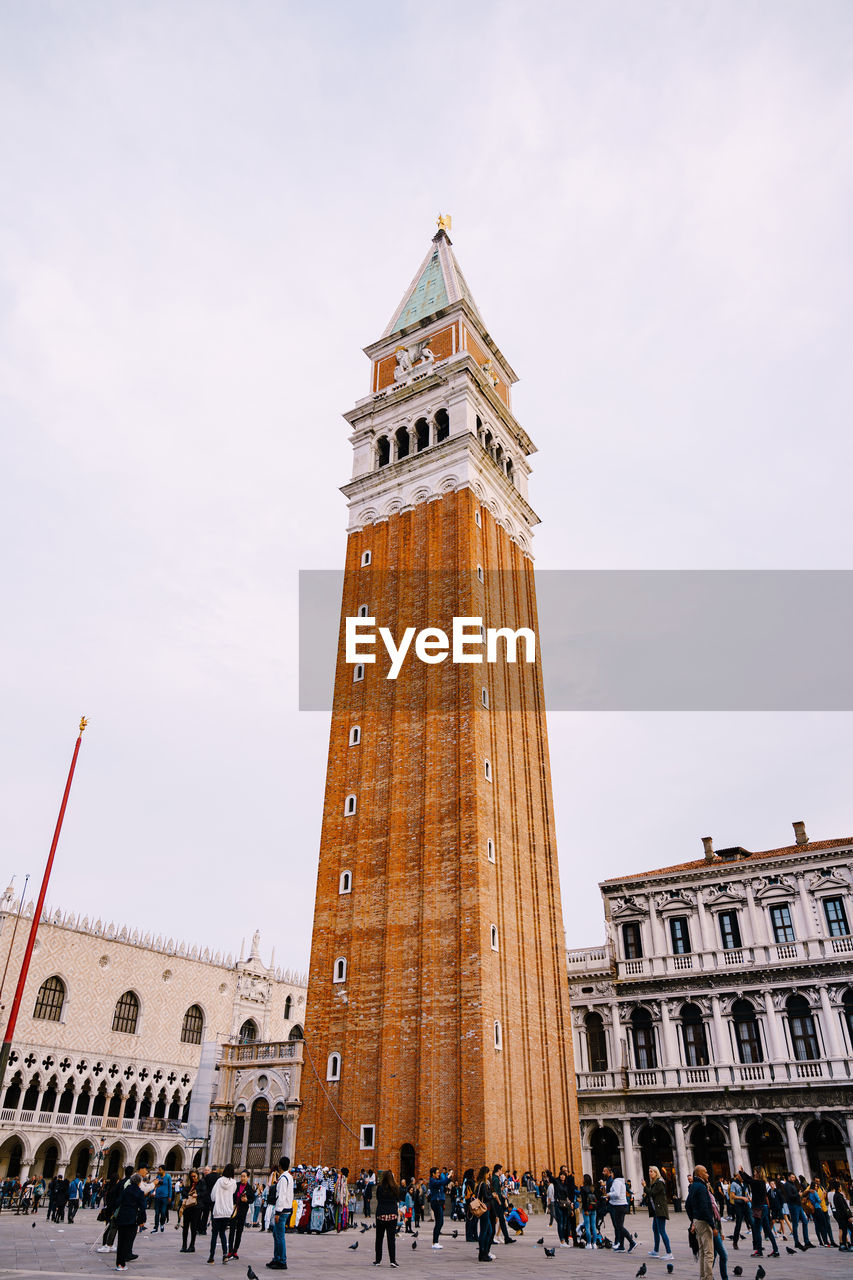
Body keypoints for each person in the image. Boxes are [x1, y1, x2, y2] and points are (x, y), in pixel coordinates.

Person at [685, 1164, 717, 1280]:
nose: (708, 1174)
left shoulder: (693, 1186)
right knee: (709, 1253)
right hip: (704, 1222)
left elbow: (688, 1205)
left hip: (697, 1221)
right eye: (706, 1172)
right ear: (699, 1174)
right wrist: (713, 1226)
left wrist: (693, 1219)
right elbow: (705, 1207)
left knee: (703, 1252)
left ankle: (703, 1276)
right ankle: (708, 1277)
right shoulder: (702, 1187)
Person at [114, 1172, 146, 1272]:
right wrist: (142, 1220)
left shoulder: (125, 1190)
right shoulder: (140, 1193)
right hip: (132, 1219)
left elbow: (117, 1202)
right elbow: (142, 1208)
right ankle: (123, 1263)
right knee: (128, 1242)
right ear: (139, 1182)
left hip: (122, 1217)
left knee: (121, 1242)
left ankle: (119, 1264)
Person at [207, 1163, 237, 1264]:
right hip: (227, 1211)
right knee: (223, 1233)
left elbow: (213, 1196)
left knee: (214, 1234)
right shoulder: (233, 1183)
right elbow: (233, 1193)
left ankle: (211, 1257)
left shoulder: (219, 1181)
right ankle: (225, 1255)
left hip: (218, 1210)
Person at [268, 1156, 293, 1270]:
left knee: (279, 1236)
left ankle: (281, 1260)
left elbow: (281, 1196)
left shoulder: (283, 1178)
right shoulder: (289, 1177)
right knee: (276, 1234)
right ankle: (277, 1258)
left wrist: (278, 1212)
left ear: (280, 1166)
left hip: (282, 1211)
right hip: (286, 1209)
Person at [374, 1168, 401, 1267]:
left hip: (381, 1215)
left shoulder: (380, 1188)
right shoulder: (395, 1187)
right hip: (392, 1215)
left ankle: (378, 1260)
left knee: (379, 1238)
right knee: (391, 1239)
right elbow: (398, 1199)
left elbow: (378, 1198)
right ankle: (393, 1260)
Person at [603, 1166, 634, 1253]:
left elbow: (616, 1194)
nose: (611, 1175)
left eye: (612, 1173)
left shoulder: (616, 1182)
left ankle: (632, 1242)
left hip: (618, 1205)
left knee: (619, 1226)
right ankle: (621, 1245)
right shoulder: (621, 1181)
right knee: (620, 1225)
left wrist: (608, 1194)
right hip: (622, 1205)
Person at [646, 1165, 673, 1259]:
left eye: (651, 1171)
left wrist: (645, 1187)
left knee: (662, 1231)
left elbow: (652, 1193)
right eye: (649, 1171)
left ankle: (669, 1253)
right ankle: (656, 1251)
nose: (649, 1173)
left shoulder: (659, 1182)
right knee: (655, 1229)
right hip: (656, 1210)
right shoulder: (655, 1182)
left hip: (660, 1210)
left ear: (656, 1172)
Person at [227, 1170, 254, 1259]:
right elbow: (231, 1195)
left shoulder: (249, 1188)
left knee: (239, 1231)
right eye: (241, 1176)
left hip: (242, 1212)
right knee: (232, 1230)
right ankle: (230, 1250)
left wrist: (247, 1200)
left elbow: (252, 1199)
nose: (242, 1178)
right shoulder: (236, 1185)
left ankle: (235, 1251)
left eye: (244, 1176)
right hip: (234, 1211)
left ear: (248, 1177)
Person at [491, 1164, 516, 1246]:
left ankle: (506, 1237)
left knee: (501, 1220)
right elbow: (495, 1192)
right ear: (498, 1170)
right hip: (497, 1202)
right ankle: (501, 1237)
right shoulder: (495, 1179)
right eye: (501, 1170)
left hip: (499, 1200)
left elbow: (498, 1190)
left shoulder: (496, 1178)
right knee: (499, 1219)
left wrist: (502, 1190)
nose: (502, 1171)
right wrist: (499, 1201)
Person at [475, 1165, 496, 1263]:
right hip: (484, 1210)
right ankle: (482, 1254)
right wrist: (492, 1195)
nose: (489, 1175)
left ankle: (484, 1253)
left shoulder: (478, 1183)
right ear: (485, 1173)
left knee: (488, 1231)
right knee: (485, 1231)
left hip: (483, 1210)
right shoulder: (483, 1184)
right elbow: (486, 1197)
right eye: (488, 1173)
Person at [428, 1165, 450, 1249]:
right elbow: (441, 1183)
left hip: (440, 1202)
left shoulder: (438, 1180)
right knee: (439, 1222)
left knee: (440, 1222)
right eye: (437, 1173)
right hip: (436, 1202)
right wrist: (448, 1176)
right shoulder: (433, 1181)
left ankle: (436, 1241)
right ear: (433, 1174)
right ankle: (435, 1242)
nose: (438, 1174)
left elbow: (444, 1183)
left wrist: (448, 1178)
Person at [179, 1170, 200, 1252]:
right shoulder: (188, 1184)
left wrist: (197, 1195)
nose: (193, 1178)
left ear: (198, 1176)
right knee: (185, 1226)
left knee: (193, 1227)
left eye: (194, 1176)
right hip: (187, 1207)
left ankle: (192, 1245)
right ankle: (184, 1245)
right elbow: (183, 1192)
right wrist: (188, 1195)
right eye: (192, 1176)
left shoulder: (200, 1183)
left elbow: (204, 1192)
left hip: (196, 1207)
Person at [553, 1170, 573, 1247]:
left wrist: (571, 1203)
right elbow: (552, 1179)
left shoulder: (566, 1185)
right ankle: (562, 1241)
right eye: (561, 1175)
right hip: (558, 1204)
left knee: (565, 1224)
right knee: (560, 1223)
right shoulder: (557, 1183)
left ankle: (565, 1240)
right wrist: (547, 1172)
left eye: (564, 1175)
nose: (562, 1176)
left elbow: (568, 1196)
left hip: (565, 1205)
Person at [153, 1166, 172, 1232]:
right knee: (157, 1212)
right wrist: (153, 1192)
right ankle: (155, 1227)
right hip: (157, 1197)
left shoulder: (168, 1177)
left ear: (163, 1170)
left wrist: (170, 1196)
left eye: (160, 1170)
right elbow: (154, 1185)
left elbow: (170, 1187)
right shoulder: (158, 1176)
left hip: (165, 1197)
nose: (159, 1171)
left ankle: (162, 1224)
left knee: (163, 1212)